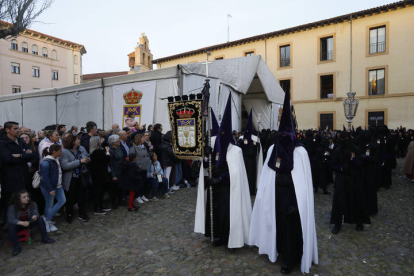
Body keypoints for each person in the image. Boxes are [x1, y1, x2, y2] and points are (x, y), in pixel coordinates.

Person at [248, 89, 318, 275]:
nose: (284, 140)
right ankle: (276, 250)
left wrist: (297, 204)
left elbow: (304, 187)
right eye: (282, 136)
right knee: (277, 226)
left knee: (291, 230)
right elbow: (266, 178)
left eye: (288, 136)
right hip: (276, 198)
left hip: (292, 200)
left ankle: (289, 260)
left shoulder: (300, 154)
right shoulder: (273, 150)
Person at [194, 94, 252, 251]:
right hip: (216, 188)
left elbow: (236, 174)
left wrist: (220, 179)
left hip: (228, 188)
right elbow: (208, 165)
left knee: (228, 214)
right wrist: (206, 156)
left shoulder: (236, 151)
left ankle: (231, 239)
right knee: (217, 213)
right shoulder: (216, 149)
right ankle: (219, 235)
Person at [330, 131, 371, 234]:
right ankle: (337, 224)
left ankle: (359, 222)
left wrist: (353, 159)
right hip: (341, 177)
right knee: (339, 201)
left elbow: (361, 164)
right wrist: (341, 168)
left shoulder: (356, 149)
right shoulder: (337, 151)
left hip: (354, 178)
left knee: (356, 199)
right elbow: (333, 165)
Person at [0, 121, 37, 221]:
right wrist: (24, 155)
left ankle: (22, 222)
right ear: (7, 130)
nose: (18, 130)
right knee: (10, 202)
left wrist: (20, 155)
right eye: (15, 128)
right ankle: (9, 225)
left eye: (18, 128)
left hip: (23, 176)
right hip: (10, 178)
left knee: (23, 201)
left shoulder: (20, 141)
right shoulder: (3, 142)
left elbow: (33, 154)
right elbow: (8, 159)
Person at [7, 190, 55, 256]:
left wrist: (34, 215)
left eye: (27, 196)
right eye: (24, 197)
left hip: (28, 222)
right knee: (11, 227)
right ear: (18, 199)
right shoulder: (12, 207)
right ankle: (16, 247)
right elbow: (11, 219)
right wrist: (22, 223)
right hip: (18, 225)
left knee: (40, 219)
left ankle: (45, 238)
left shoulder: (32, 204)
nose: (27, 198)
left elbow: (35, 212)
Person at [61, 134, 90, 223]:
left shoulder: (81, 148)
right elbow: (65, 165)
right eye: (77, 139)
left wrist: (87, 160)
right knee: (70, 197)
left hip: (81, 176)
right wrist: (79, 161)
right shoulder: (65, 152)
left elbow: (88, 157)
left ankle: (82, 213)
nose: (79, 141)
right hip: (71, 178)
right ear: (72, 141)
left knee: (82, 197)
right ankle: (69, 214)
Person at [40, 144, 66, 232]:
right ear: (54, 152)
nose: (61, 152)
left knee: (62, 200)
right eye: (60, 151)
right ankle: (47, 221)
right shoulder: (46, 162)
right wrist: (50, 189)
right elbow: (45, 177)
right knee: (49, 204)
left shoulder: (55, 159)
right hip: (50, 187)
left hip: (58, 185)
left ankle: (47, 219)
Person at [240, 109, 263, 195]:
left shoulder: (255, 139)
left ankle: (251, 190)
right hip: (244, 160)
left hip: (252, 161)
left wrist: (257, 146)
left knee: (251, 176)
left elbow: (259, 151)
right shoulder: (241, 139)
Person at [89, 136, 112, 214]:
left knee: (99, 191)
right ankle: (98, 208)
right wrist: (108, 152)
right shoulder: (98, 152)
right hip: (100, 174)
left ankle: (100, 206)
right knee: (99, 191)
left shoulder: (92, 152)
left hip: (96, 174)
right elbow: (108, 159)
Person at [129, 134, 151, 204]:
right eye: (142, 138)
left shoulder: (143, 146)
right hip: (138, 168)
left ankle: (142, 195)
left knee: (143, 182)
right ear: (139, 139)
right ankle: (137, 196)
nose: (144, 139)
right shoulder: (133, 148)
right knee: (138, 183)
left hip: (145, 167)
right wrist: (138, 164)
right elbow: (132, 158)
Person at [109, 135, 125, 207]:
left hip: (121, 169)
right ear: (113, 142)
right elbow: (111, 163)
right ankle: (114, 202)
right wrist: (113, 175)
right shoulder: (110, 150)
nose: (119, 142)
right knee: (114, 188)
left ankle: (120, 200)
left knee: (121, 187)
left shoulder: (119, 148)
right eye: (118, 141)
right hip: (115, 170)